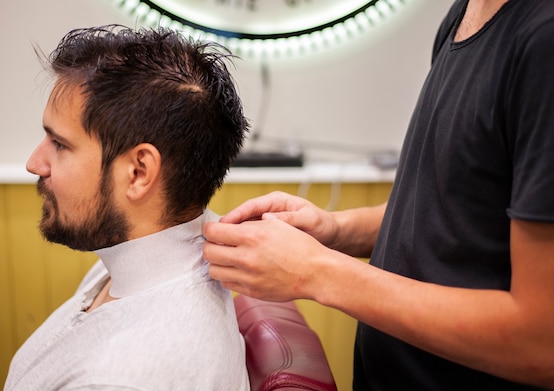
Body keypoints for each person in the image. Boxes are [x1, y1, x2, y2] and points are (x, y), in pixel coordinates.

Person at [202, 0, 554, 389]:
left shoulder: (543, 40)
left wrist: (316, 272)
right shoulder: (465, 13)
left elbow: (541, 341)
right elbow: (453, 211)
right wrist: (335, 229)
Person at [4, 25, 250, 390]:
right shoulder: (135, 258)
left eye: (59, 144)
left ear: (138, 173)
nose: (35, 163)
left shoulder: (122, 378)